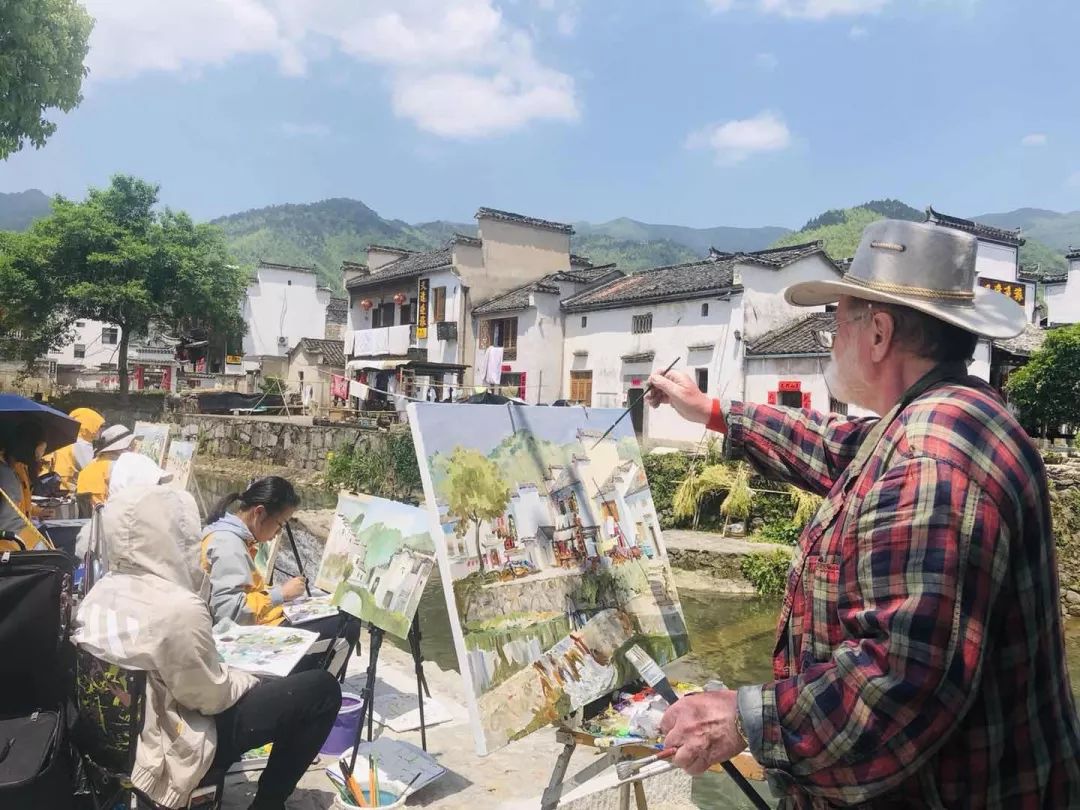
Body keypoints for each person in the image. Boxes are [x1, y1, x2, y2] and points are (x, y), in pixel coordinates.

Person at [647, 220, 1080, 808]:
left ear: (877, 332)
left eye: (837, 320)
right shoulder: (947, 416)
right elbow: (835, 444)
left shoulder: (928, 464)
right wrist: (713, 411)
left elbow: (897, 684)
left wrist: (741, 717)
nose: (829, 338)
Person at [73, 485, 341, 810]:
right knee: (321, 689)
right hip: (169, 746)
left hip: (118, 745)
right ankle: (268, 803)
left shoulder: (98, 593)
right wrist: (245, 677)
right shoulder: (177, 607)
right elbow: (210, 698)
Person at [201, 477, 362, 673]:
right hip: (235, 639)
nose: (278, 533)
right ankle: (312, 688)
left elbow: (243, 591)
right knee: (346, 624)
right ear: (259, 513)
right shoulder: (229, 546)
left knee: (334, 612)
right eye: (280, 524)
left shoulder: (230, 536)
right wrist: (280, 594)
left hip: (254, 623)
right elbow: (229, 614)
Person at [0, 420, 47, 549]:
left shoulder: (18, 468)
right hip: (9, 547)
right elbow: (10, 521)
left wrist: (36, 511)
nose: (41, 454)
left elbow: (16, 505)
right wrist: (38, 544)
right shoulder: (5, 474)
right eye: (40, 448)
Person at [76, 424, 135, 513]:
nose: (133, 447)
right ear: (122, 447)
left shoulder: (94, 464)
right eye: (131, 444)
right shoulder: (113, 466)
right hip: (107, 518)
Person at [47, 407, 104, 492]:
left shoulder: (65, 439)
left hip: (55, 487)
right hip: (69, 491)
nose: (101, 430)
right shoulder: (81, 444)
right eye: (99, 426)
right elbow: (90, 470)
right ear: (89, 425)